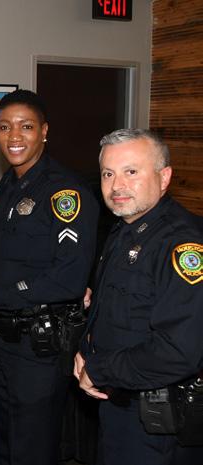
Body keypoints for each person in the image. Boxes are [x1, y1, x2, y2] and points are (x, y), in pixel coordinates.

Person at [0, 89, 99, 465]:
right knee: (7, 441)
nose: (14, 136)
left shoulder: (64, 192)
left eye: (25, 127)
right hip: (0, 339)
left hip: (37, 347)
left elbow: (68, 278)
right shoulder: (7, 186)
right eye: (4, 127)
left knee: (33, 447)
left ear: (44, 131)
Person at [75, 129, 203, 465]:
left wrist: (100, 367)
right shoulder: (124, 229)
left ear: (164, 177)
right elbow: (117, 309)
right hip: (119, 402)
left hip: (157, 421)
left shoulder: (182, 245)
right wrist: (86, 349)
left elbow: (179, 351)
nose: (117, 185)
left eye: (131, 171)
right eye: (108, 174)